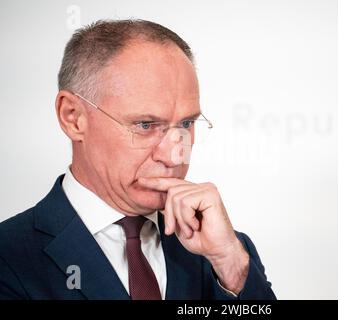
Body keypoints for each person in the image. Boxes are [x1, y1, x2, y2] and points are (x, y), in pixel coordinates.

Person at [0, 19, 276, 300]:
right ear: (73, 117)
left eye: (186, 124)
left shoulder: (227, 252)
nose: (173, 156)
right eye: (145, 125)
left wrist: (231, 264)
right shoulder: (9, 258)